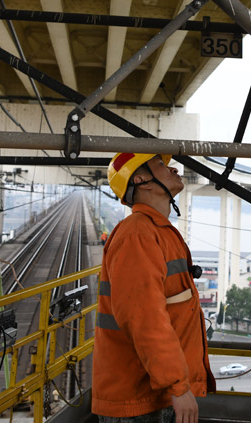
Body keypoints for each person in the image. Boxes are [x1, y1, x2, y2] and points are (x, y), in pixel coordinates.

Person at [93, 153, 214, 423]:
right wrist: (179, 386)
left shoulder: (156, 230)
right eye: (160, 164)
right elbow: (144, 319)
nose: (171, 167)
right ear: (141, 180)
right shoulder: (137, 234)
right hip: (138, 400)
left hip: (154, 394)